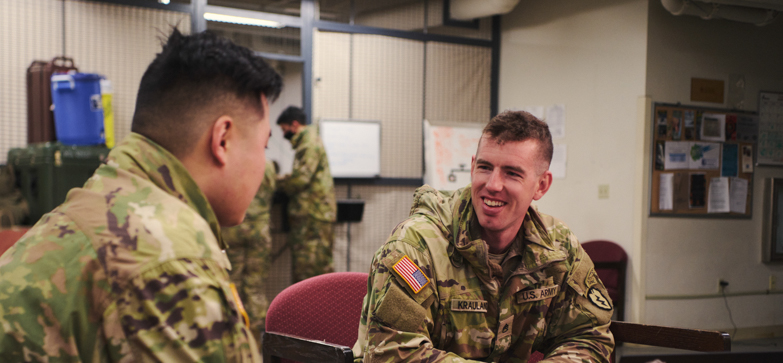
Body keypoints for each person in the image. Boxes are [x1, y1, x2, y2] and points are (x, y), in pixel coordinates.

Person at [0, 28, 282, 362]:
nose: (263, 164)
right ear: (222, 140)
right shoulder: (171, 262)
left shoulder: (93, 200)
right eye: (263, 146)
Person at [352, 111, 615, 362]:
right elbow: (393, 353)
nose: (492, 185)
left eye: (512, 173)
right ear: (472, 167)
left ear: (541, 185)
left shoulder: (558, 247)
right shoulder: (417, 244)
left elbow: (589, 335)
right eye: (485, 168)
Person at [276, 106, 337, 283]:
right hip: (313, 215)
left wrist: (276, 183)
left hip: (313, 216)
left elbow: (301, 179)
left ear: (294, 125)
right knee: (312, 266)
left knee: (311, 269)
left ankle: (317, 310)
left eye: (284, 129)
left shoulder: (308, 143)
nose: (284, 134)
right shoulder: (307, 141)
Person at [222, 160, 277, 340]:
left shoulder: (230, 162)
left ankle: (235, 334)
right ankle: (254, 338)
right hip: (259, 231)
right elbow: (272, 190)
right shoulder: (267, 165)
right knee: (255, 286)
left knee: (233, 283)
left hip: (233, 230)